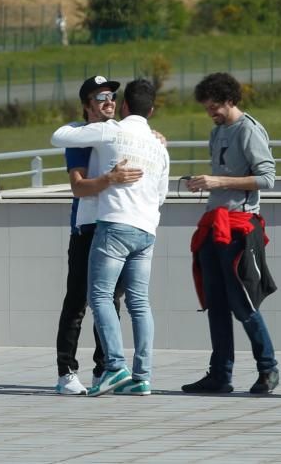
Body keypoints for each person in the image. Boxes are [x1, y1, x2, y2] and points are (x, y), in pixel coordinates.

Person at [51, 78, 170, 397]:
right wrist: (109, 179)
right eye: (100, 97)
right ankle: (67, 371)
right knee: (78, 300)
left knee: (110, 301)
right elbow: (78, 187)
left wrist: (152, 134)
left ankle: (106, 368)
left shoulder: (120, 131)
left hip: (114, 225)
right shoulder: (81, 136)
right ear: (87, 104)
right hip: (88, 227)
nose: (109, 102)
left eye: (113, 97)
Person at [183, 72, 280, 395]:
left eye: (214, 107)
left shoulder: (249, 130)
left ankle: (268, 369)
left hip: (240, 226)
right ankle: (220, 374)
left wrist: (219, 182)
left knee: (243, 302)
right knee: (216, 301)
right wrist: (204, 181)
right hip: (215, 223)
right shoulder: (218, 131)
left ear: (229, 100)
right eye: (207, 109)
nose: (211, 113)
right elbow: (222, 174)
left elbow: (267, 178)